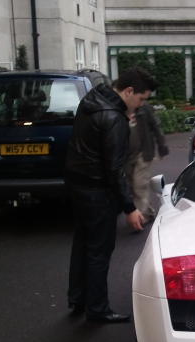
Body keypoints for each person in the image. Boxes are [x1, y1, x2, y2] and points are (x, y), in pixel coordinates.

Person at [65, 68, 156, 323]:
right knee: (98, 252)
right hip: (98, 192)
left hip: (78, 186)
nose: (140, 106)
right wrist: (130, 207)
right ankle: (97, 309)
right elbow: (115, 169)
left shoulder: (91, 102)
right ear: (128, 91)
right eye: (140, 99)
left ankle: (78, 299)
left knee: (82, 245)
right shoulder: (114, 119)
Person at [126, 101, 169, 218]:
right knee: (131, 186)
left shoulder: (144, 108)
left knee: (139, 185)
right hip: (126, 156)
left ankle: (141, 217)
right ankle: (148, 211)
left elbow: (156, 127)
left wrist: (162, 146)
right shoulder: (119, 108)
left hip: (143, 153)